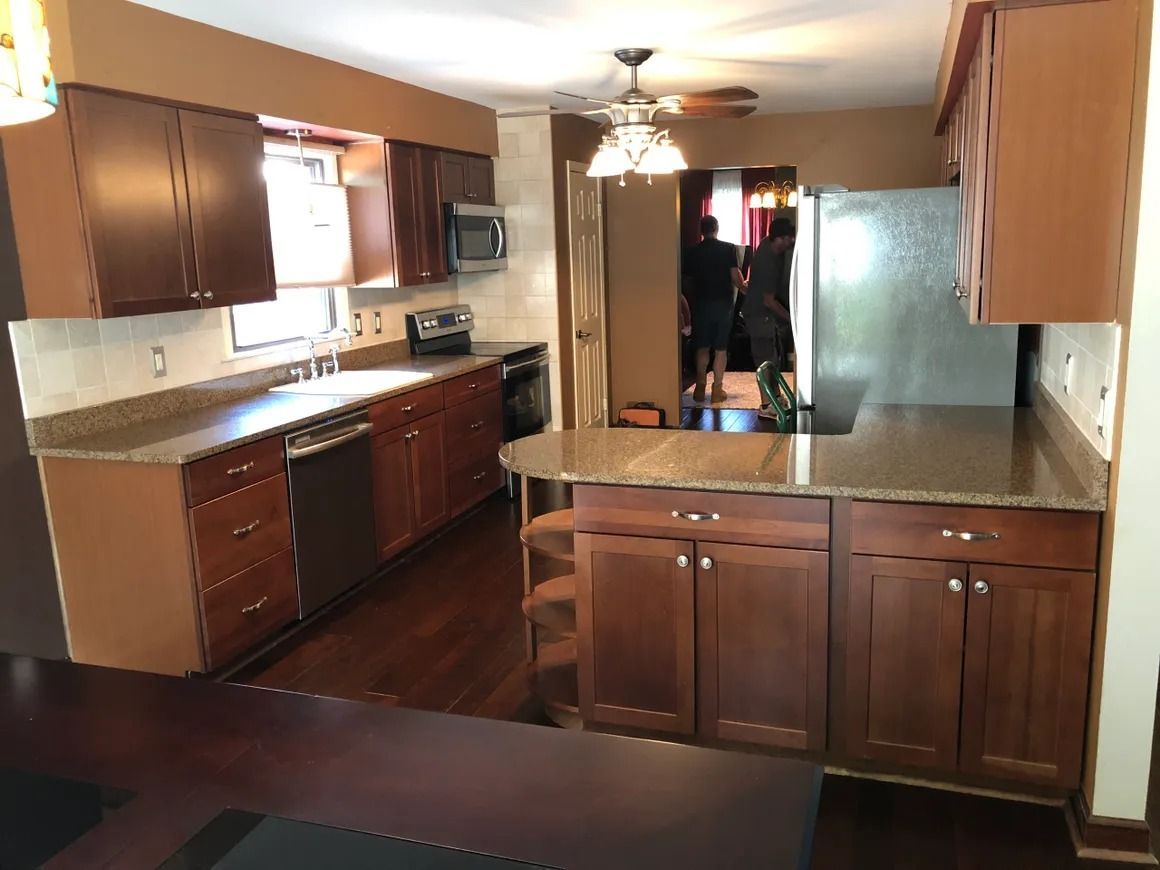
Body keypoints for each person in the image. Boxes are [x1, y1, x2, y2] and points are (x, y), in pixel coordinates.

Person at [684, 215, 747, 403]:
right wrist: (746, 289)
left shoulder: (692, 251)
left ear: (701, 230)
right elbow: (735, 278)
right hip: (723, 304)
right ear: (716, 228)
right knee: (720, 348)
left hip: (701, 303)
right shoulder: (728, 248)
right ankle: (717, 390)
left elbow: (686, 280)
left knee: (702, 346)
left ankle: (700, 387)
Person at [744, 217, 796, 419]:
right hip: (759, 314)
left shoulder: (772, 249)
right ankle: (767, 406)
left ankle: (775, 397)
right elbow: (768, 300)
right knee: (765, 360)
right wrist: (791, 318)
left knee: (773, 359)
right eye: (788, 238)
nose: (791, 242)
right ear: (779, 238)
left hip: (765, 316)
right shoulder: (767, 260)